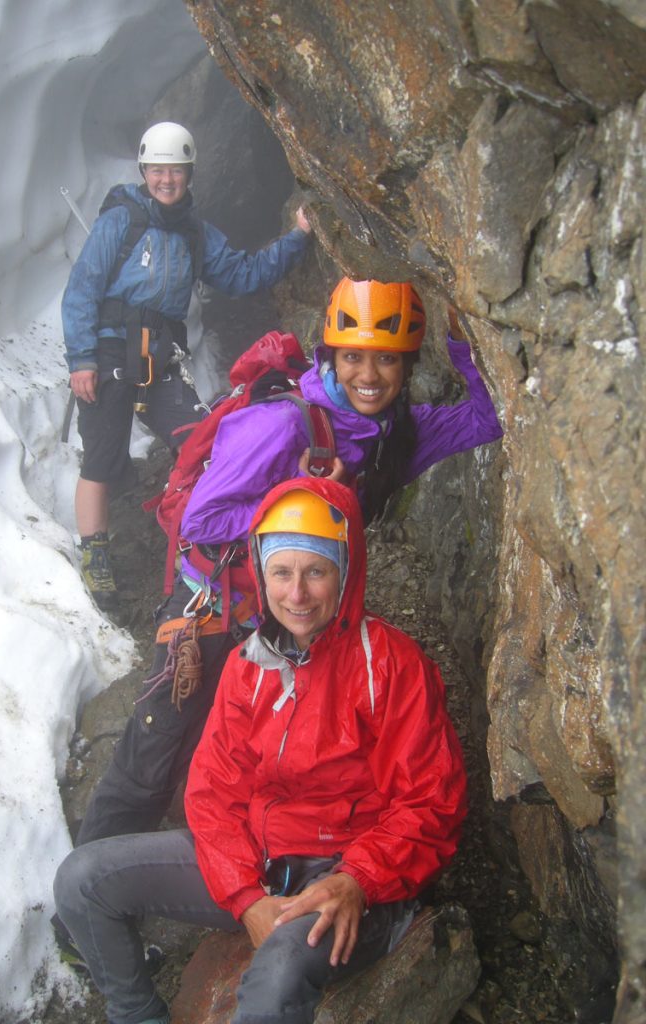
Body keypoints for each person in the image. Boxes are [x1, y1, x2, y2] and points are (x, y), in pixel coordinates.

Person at [72, 277, 502, 847]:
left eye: (386, 361)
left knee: (244, 752)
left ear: (407, 366)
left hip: (292, 615)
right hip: (219, 607)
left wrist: (464, 342)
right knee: (156, 750)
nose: (368, 377)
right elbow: (204, 521)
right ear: (331, 355)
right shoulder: (280, 423)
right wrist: (304, 494)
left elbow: (486, 418)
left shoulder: (392, 434)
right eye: (353, 358)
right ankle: (89, 905)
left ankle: (221, 872)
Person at [53, 477, 468, 1024]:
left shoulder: (390, 665)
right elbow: (211, 792)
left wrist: (358, 880)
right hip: (259, 863)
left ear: (345, 573)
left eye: (316, 572)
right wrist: (245, 897)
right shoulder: (249, 665)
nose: (296, 594)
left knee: (277, 978)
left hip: (347, 877)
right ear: (262, 574)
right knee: (83, 880)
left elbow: (430, 803)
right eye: (281, 572)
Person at [61, 120, 312, 608]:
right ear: (145, 170)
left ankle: (202, 540)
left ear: (189, 174)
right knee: (102, 459)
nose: (166, 180)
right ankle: (96, 557)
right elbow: (83, 289)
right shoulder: (122, 219)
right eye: (157, 170)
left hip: (160, 359)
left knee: (203, 444)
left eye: (174, 171)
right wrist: (82, 359)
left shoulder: (197, 234)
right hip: (111, 353)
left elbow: (243, 274)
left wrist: (298, 237)